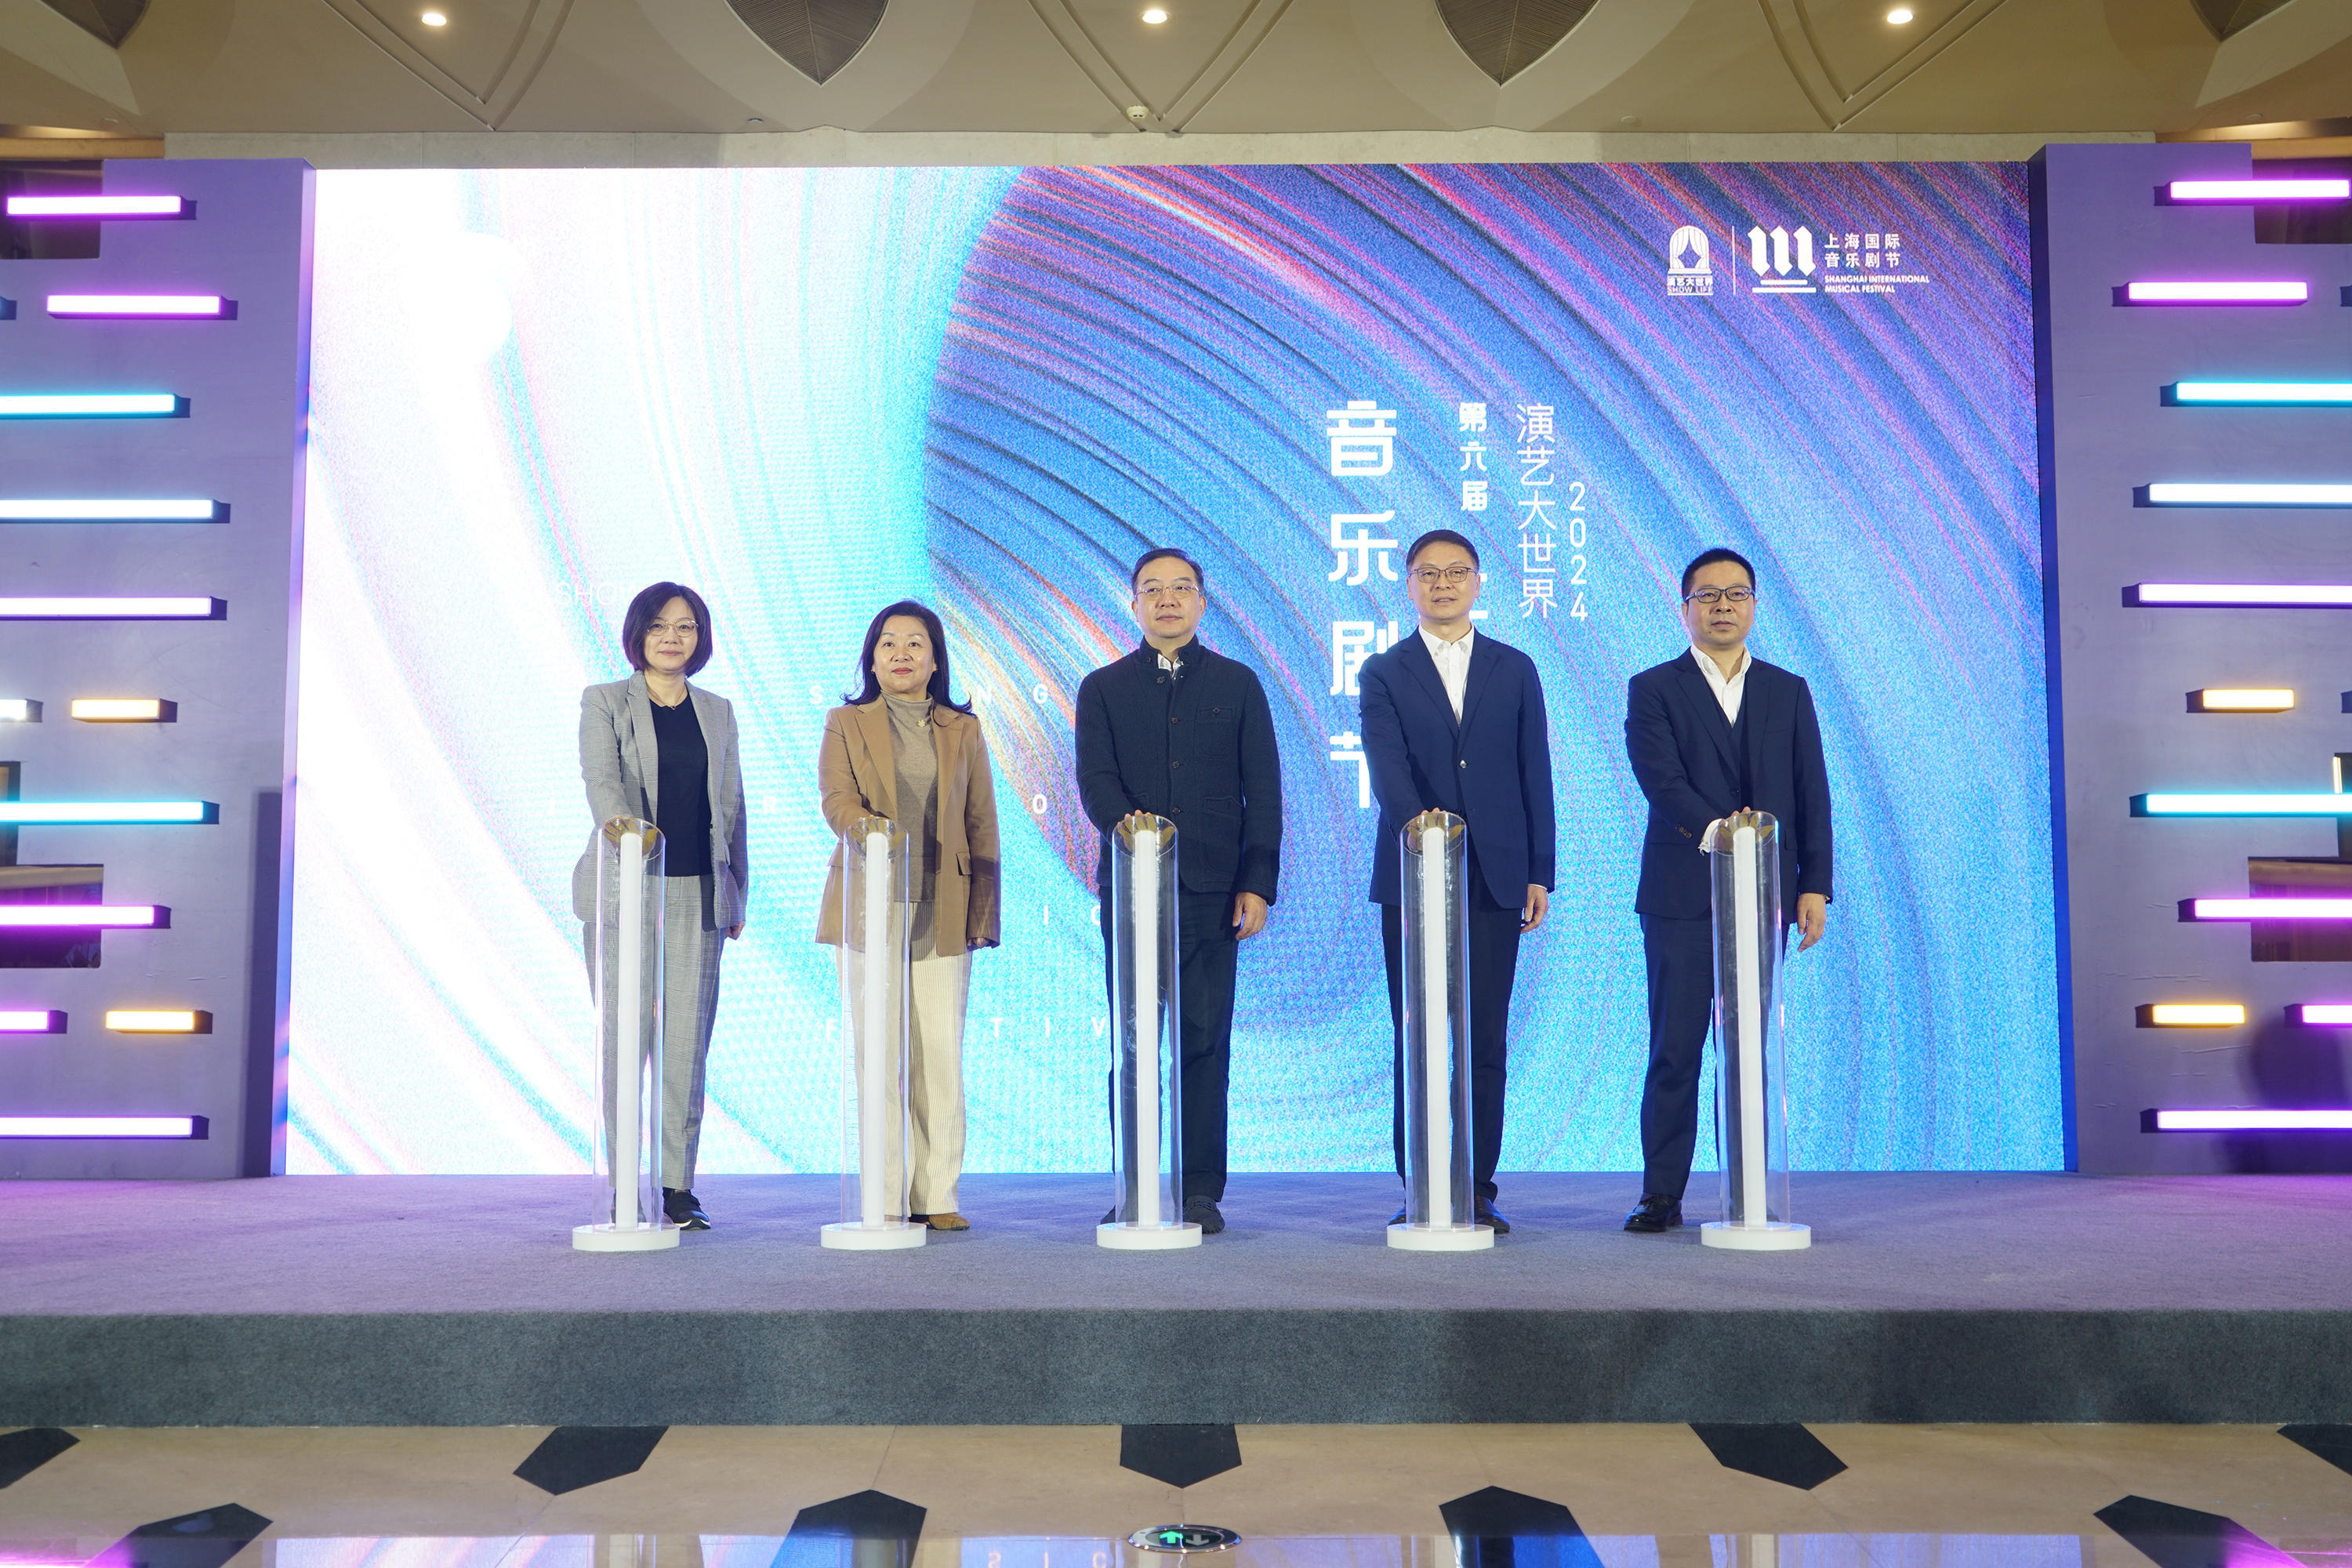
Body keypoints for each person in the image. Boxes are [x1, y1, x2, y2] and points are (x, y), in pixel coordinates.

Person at [1622, 546, 1832, 1233]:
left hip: (1766, 897)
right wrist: (1722, 833)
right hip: (1681, 895)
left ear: (1754, 606)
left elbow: (1811, 790)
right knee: (1675, 1049)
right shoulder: (1654, 688)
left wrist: (1815, 885)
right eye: (1707, 595)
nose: (1721, 606)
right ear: (1684, 607)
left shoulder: (1787, 690)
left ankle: (1748, 1187)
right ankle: (1661, 1194)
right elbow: (1660, 779)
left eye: (1735, 594)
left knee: (1748, 1050)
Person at [1075, 546, 1282, 1236]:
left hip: (1213, 891)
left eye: (1182, 588)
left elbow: (1264, 793)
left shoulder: (1238, 684)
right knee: (1134, 1045)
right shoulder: (1102, 688)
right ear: (1134, 603)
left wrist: (1258, 884)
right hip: (1133, 891)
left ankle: (1199, 1192)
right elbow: (1095, 781)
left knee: (1204, 1043)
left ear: (1201, 602)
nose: (1168, 600)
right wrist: (1129, 829)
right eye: (1154, 589)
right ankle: (1134, 1183)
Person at [1359, 529, 1554, 1235]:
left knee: (1484, 1038)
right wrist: (1421, 828)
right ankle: (1420, 1182)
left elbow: (1534, 770)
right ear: (1408, 584)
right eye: (1428, 573)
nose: (1442, 584)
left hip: (1498, 875)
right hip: (1413, 875)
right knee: (1417, 1035)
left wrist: (1539, 871)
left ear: (1477, 582)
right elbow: (1386, 765)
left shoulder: (1515, 667)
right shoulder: (1383, 670)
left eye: (1456, 572)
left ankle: (1475, 1185)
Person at [817, 600, 1001, 1231]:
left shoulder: (964, 729)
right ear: (872, 659)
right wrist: (867, 829)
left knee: (940, 1053)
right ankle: (886, 1196)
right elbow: (836, 798)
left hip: (944, 907)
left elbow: (982, 823)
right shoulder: (846, 722)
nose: (902, 653)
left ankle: (937, 1194)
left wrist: (983, 912)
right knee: (880, 1055)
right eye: (889, 643)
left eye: (915, 643)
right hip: (870, 903)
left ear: (935, 660)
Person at [574, 581, 747, 1232]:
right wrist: (629, 836)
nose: (673, 638)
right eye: (659, 626)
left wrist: (736, 890)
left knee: (685, 1047)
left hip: (699, 890)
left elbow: (731, 804)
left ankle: (678, 1188)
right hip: (626, 889)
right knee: (627, 1042)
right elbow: (602, 782)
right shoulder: (605, 701)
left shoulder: (718, 710)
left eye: (686, 627)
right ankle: (625, 1184)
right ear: (637, 634)